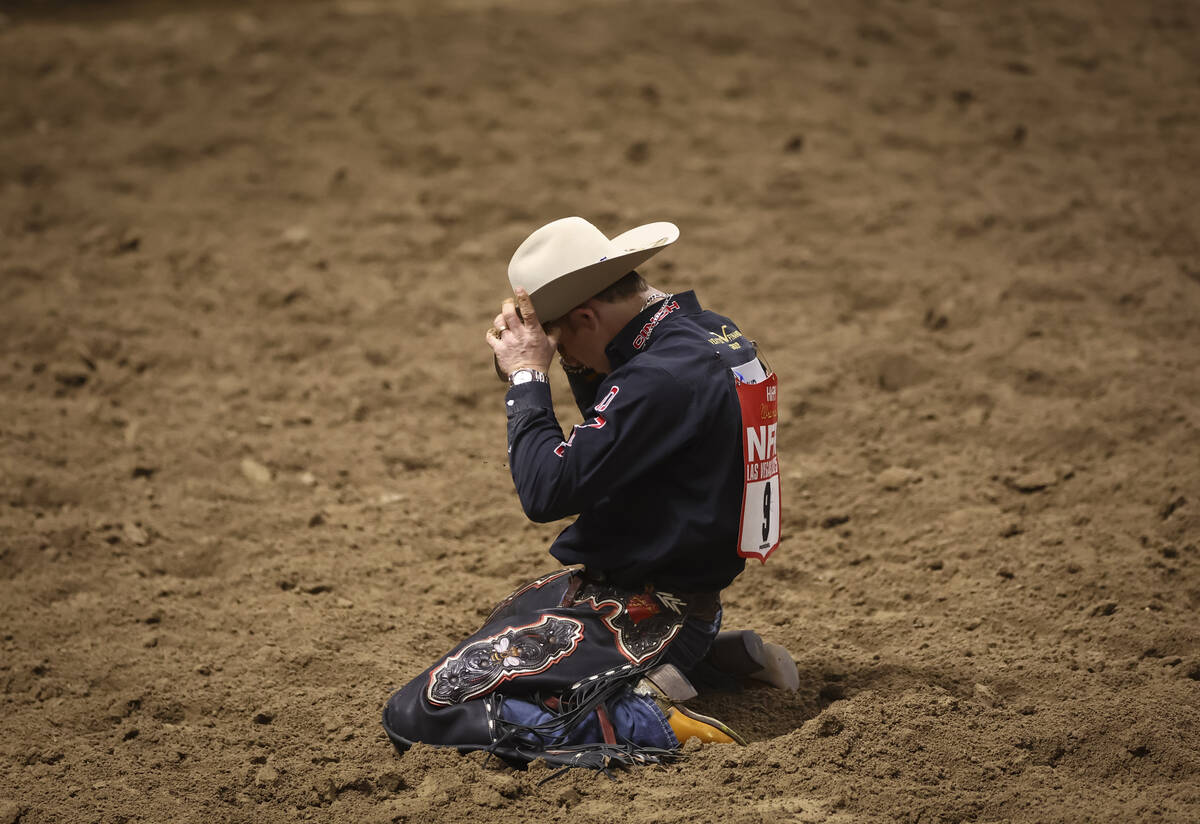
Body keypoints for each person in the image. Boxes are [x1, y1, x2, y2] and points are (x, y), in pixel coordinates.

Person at [382, 216, 786, 770]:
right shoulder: (711, 334)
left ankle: (648, 720)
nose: (563, 361)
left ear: (587, 316)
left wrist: (528, 376)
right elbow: (616, 431)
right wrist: (569, 348)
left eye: (561, 345)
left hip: (645, 610)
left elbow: (547, 490)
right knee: (505, 632)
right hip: (682, 595)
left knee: (419, 711)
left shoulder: (658, 378)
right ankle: (706, 661)